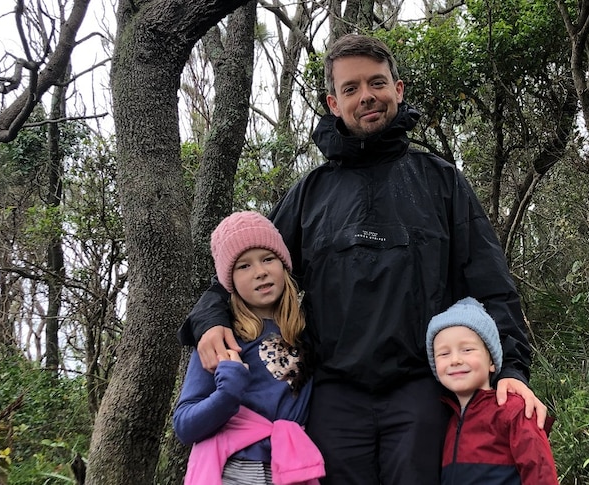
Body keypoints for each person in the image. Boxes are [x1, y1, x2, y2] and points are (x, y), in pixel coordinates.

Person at [178, 34, 547, 484]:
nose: (366, 96)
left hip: (419, 391)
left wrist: (511, 369)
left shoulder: (441, 182)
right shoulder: (310, 193)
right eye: (351, 88)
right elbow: (246, 265)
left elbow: (490, 284)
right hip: (333, 394)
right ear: (334, 103)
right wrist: (210, 318)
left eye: (377, 83)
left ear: (398, 89)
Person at [173, 211, 324, 485]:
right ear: (228, 281)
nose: (260, 271)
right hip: (235, 468)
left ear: (284, 265)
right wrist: (227, 393)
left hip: (293, 467)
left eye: (268, 259)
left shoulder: (307, 332)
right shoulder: (222, 337)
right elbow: (184, 426)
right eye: (244, 266)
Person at [427, 297, 558, 484]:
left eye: (467, 349)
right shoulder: (448, 421)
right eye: (444, 353)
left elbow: (540, 471)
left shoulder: (512, 409)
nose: (455, 360)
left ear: (491, 361)